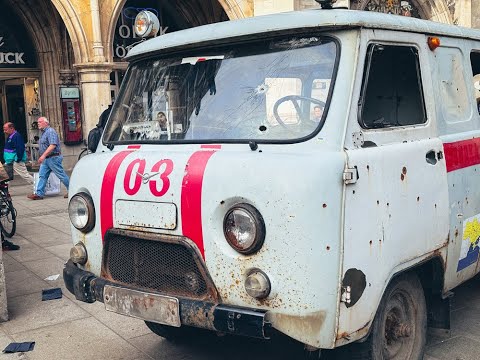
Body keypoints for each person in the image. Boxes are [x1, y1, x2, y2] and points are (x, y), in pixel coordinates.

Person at [27, 117, 69, 200]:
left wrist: (43, 155)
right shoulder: (43, 132)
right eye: (38, 122)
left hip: (53, 158)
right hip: (47, 159)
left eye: (40, 122)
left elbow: (53, 145)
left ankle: (72, 190)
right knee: (42, 175)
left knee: (61, 175)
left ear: (46, 123)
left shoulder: (50, 131)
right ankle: (39, 194)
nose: (38, 123)